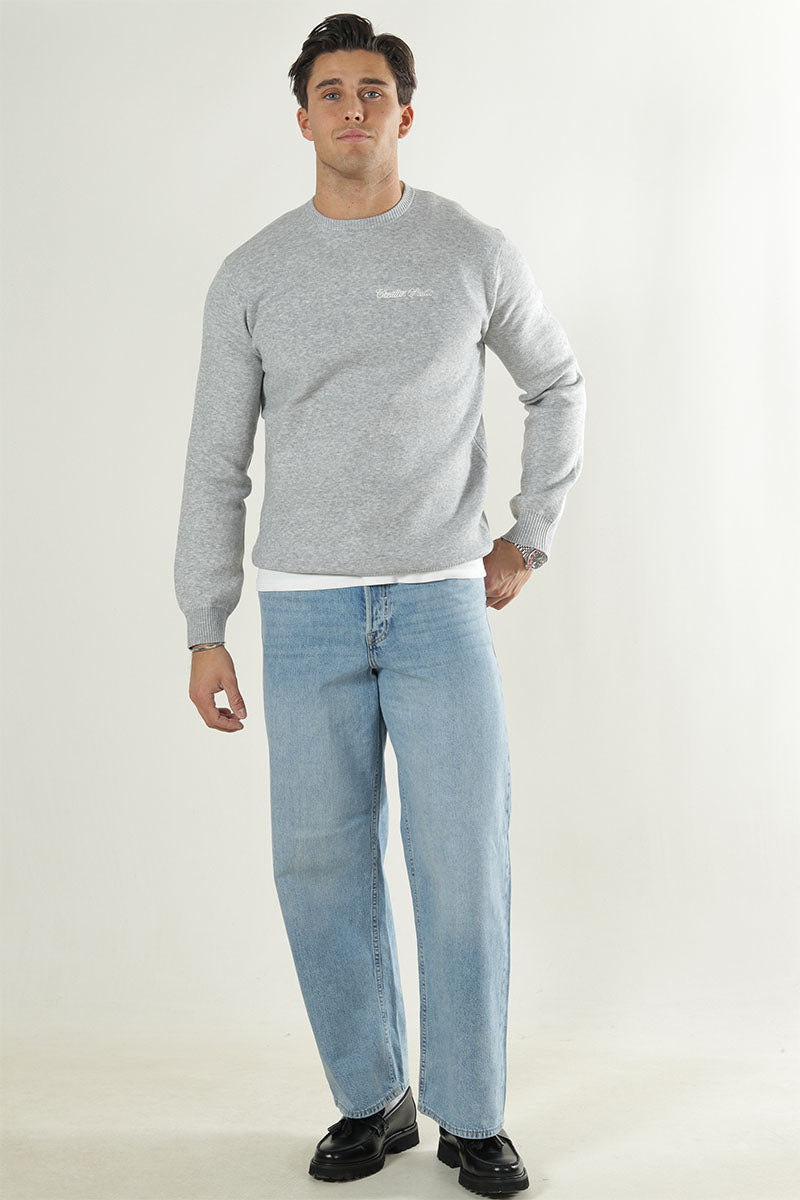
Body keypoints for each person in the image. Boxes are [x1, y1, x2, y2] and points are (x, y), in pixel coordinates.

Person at [174, 12, 586, 1196]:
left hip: (440, 606)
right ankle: (371, 1099)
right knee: (318, 868)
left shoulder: (470, 250)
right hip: (301, 614)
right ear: (300, 115)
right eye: (330, 90)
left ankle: (473, 1116)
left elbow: (556, 384)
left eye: (371, 90)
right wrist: (204, 625)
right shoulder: (253, 272)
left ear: (405, 112)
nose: (351, 107)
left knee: (461, 864)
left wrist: (528, 536)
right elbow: (215, 460)